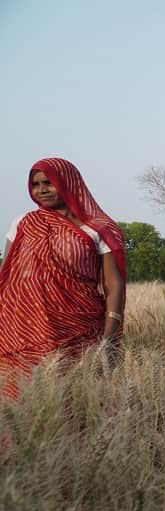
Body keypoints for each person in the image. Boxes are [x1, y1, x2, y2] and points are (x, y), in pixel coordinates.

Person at [0, 158, 126, 401]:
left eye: (49, 182)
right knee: (18, 401)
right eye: (35, 184)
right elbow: (7, 273)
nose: (41, 190)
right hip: (22, 327)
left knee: (73, 398)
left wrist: (110, 336)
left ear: (69, 182)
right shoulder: (23, 223)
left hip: (77, 327)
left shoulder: (98, 229)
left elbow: (114, 284)